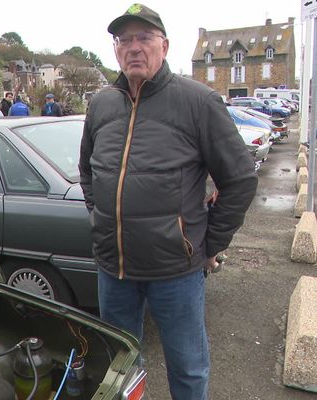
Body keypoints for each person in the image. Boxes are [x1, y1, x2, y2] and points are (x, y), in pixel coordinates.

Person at [78, 4, 257, 400]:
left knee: (189, 369)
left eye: (144, 37)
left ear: (165, 45)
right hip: (114, 269)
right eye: (125, 40)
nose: (134, 48)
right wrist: (101, 218)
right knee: (119, 368)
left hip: (175, 271)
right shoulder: (102, 104)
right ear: (115, 49)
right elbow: (88, 172)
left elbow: (240, 179)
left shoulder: (198, 101)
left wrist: (210, 244)